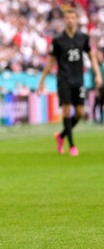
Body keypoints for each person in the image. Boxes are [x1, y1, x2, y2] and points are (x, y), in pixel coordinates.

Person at [37, 9, 102, 156]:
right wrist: (42, 80)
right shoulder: (57, 39)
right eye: (68, 18)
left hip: (79, 79)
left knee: (79, 113)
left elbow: (92, 57)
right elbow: (50, 62)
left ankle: (61, 136)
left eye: (73, 17)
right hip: (64, 79)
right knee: (67, 110)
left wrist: (98, 74)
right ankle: (72, 146)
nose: (71, 20)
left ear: (77, 20)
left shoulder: (83, 38)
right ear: (65, 20)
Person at [93, 51, 104, 124]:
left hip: (103, 87)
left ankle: (101, 119)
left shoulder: (102, 65)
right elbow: (94, 78)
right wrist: (96, 88)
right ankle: (95, 119)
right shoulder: (95, 66)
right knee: (96, 103)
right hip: (98, 87)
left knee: (101, 104)